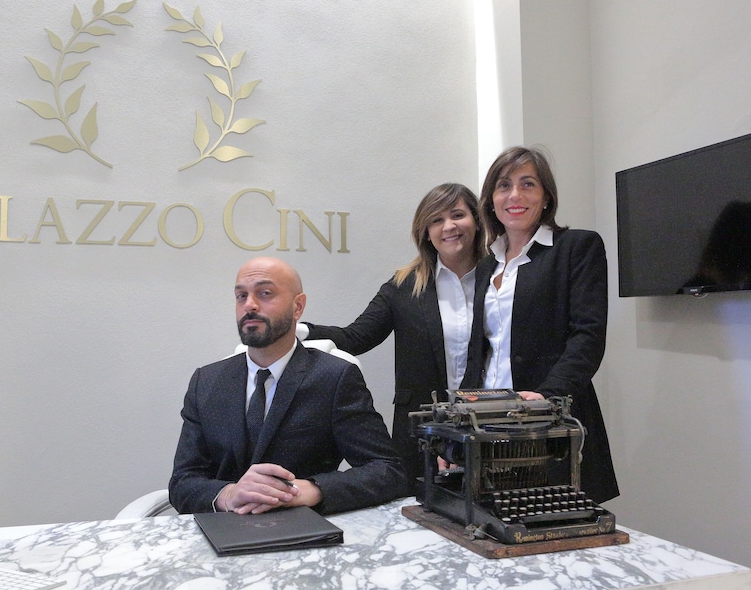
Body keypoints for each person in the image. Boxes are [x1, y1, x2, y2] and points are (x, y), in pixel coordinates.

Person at [169, 256, 406, 515]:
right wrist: (228, 495)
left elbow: (387, 470)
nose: (249, 305)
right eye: (241, 296)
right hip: (223, 528)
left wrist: (312, 489)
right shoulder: (206, 382)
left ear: (297, 306)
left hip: (303, 527)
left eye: (265, 293)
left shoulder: (334, 377)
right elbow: (183, 481)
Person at [302, 183, 487, 494]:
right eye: (436, 220)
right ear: (425, 232)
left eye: (458, 215)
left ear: (477, 221)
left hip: (487, 422)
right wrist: (297, 330)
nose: (448, 226)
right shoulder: (403, 286)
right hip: (421, 430)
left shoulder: (500, 279)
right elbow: (354, 337)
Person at [464, 146, 620, 504]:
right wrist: (459, 423)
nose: (514, 195)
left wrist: (547, 396)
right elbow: (481, 354)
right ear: (491, 200)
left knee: (556, 525)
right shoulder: (487, 264)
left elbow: (588, 336)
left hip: (552, 422)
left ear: (546, 196)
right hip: (490, 423)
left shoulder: (576, 247)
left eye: (528, 184)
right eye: (504, 185)